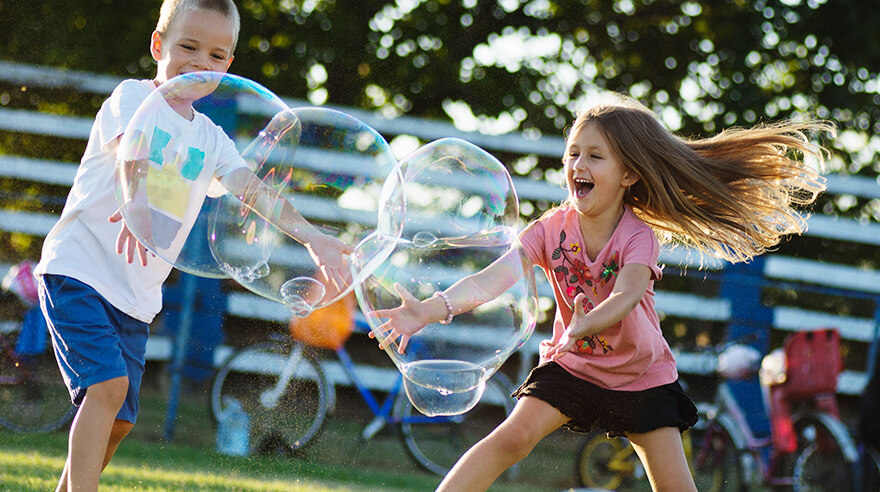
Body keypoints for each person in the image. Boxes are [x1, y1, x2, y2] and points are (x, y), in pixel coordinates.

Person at [371, 94, 832, 492]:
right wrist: (427, 311)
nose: (578, 165)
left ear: (628, 174)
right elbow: (491, 278)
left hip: (640, 376)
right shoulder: (551, 228)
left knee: (674, 486)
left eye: (595, 156)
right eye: (573, 153)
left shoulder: (638, 236)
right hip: (572, 365)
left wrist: (587, 322)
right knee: (508, 440)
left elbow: (629, 293)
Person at [33, 1, 351, 490]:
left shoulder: (212, 138)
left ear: (228, 66)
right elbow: (129, 153)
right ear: (159, 45)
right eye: (188, 46)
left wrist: (312, 236)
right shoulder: (133, 98)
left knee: (118, 421)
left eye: (218, 54)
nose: (201, 62)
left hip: (135, 299)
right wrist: (135, 210)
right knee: (106, 388)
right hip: (80, 270)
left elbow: (255, 191)